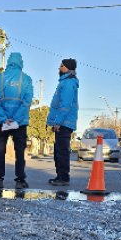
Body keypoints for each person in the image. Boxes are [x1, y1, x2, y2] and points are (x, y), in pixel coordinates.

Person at [0, 52, 33, 189]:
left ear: (8, 61)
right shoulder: (26, 79)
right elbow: (27, 101)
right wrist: (15, 119)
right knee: (19, 151)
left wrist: (4, 119)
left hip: (2, 122)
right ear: (21, 62)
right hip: (19, 123)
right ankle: (20, 180)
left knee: (0, 150)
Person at [47, 58, 79, 186]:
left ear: (67, 68)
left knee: (62, 151)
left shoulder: (68, 83)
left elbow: (65, 105)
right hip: (62, 122)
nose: (59, 68)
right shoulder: (65, 82)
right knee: (58, 151)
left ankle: (64, 178)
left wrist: (58, 122)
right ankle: (60, 176)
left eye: (61, 66)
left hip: (64, 123)